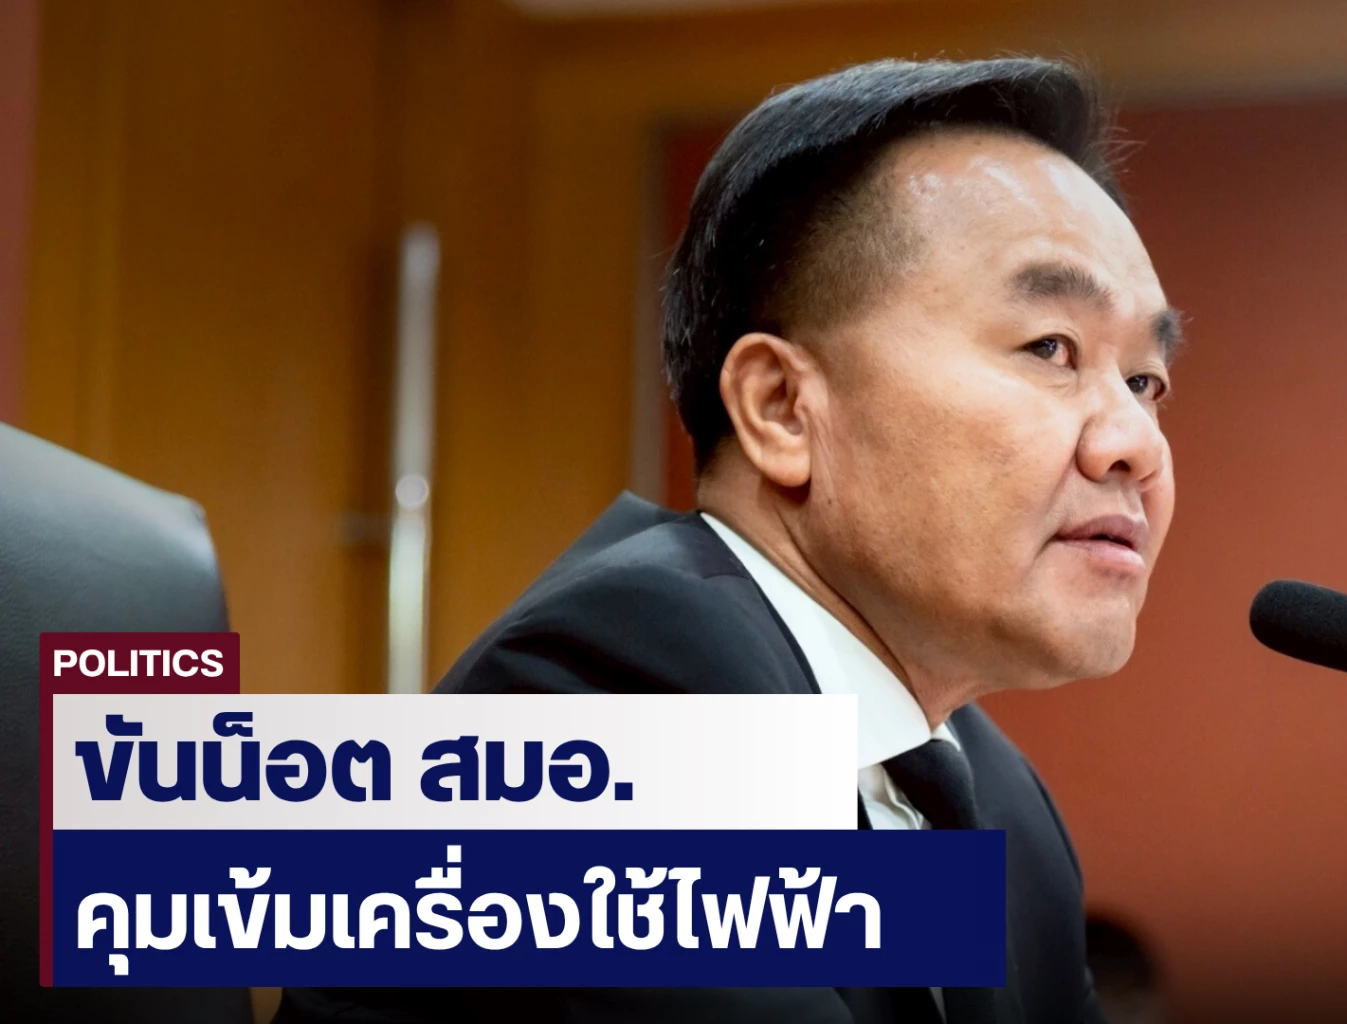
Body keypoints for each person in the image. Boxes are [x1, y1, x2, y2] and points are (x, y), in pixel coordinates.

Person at [278, 55, 1179, 1024]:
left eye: (1144, 382)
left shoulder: (992, 798)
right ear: (781, 408)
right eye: (1050, 349)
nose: (1134, 443)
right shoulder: (615, 692)